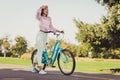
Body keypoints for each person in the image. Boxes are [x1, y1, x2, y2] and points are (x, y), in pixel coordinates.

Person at [31, 5, 63, 74]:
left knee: (41, 51)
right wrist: (40, 7)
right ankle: (40, 69)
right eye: (45, 9)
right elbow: (37, 14)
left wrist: (59, 31)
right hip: (40, 35)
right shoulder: (40, 17)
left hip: (45, 36)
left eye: (47, 9)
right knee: (40, 52)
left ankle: (33, 67)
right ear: (42, 10)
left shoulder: (49, 18)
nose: (47, 10)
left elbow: (51, 27)